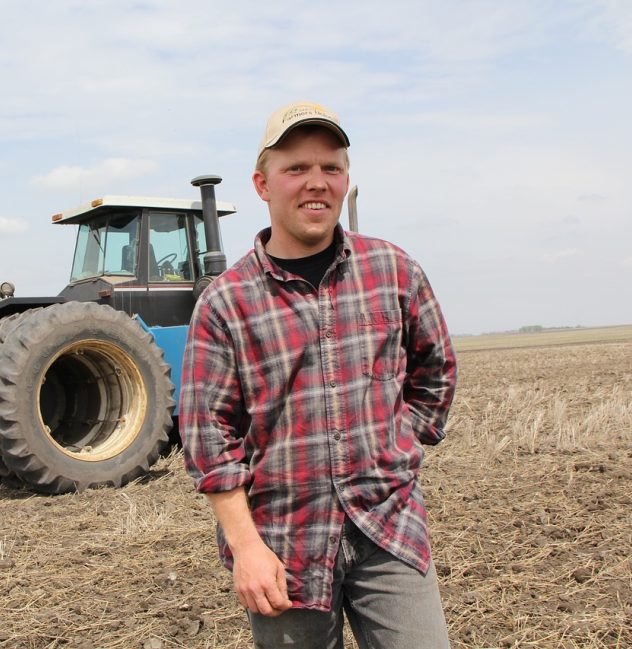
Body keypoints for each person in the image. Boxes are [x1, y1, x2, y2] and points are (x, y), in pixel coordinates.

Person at [179, 101, 458, 649]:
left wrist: (397, 441)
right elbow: (209, 439)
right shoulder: (225, 302)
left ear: (346, 179)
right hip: (283, 547)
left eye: (331, 167)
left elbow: (436, 370)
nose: (317, 182)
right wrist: (246, 548)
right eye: (297, 168)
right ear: (262, 184)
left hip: (388, 529)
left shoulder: (393, 270)